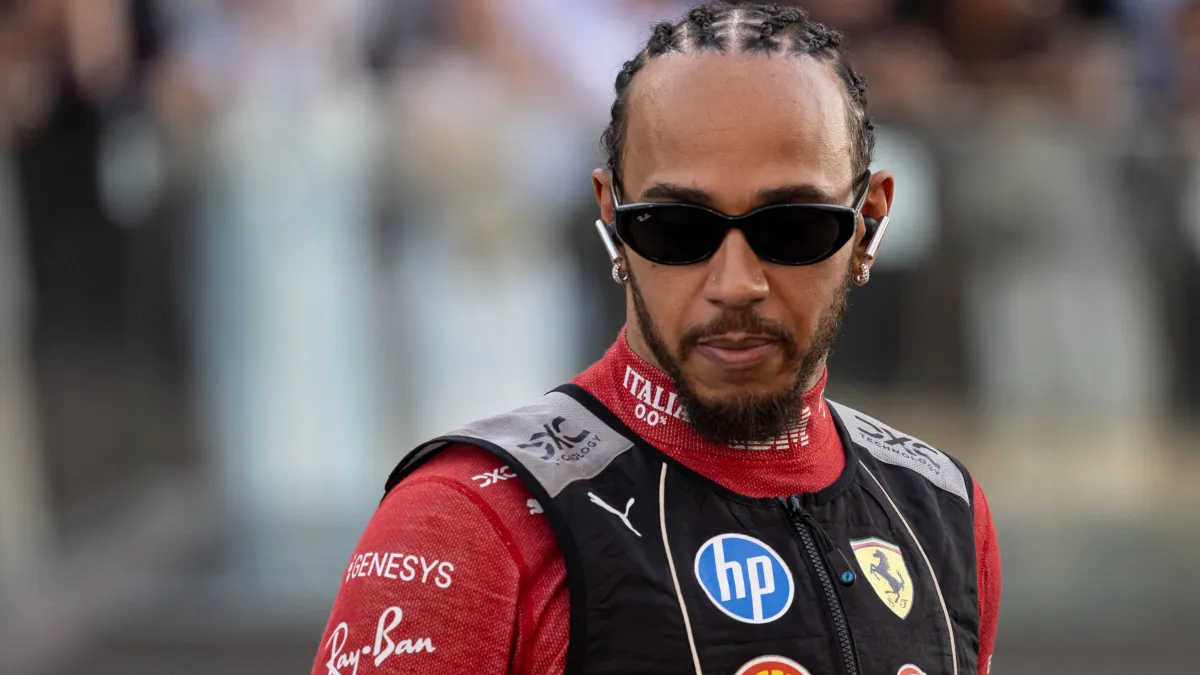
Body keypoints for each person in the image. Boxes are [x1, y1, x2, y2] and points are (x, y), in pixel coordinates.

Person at [311, 3, 1001, 674]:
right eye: (677, 228)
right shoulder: (469, 517)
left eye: (793, 226)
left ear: (869, 223)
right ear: (612, 219)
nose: (735, 282)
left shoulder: (942, 511)